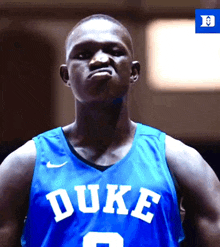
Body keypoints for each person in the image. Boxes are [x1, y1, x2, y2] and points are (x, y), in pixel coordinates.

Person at [0, 14, 220, 247]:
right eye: (84, 54)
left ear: (134, 72)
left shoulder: (179, 161)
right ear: (66, 76)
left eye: (114, 51)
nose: (100, 60)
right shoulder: (25, 164)